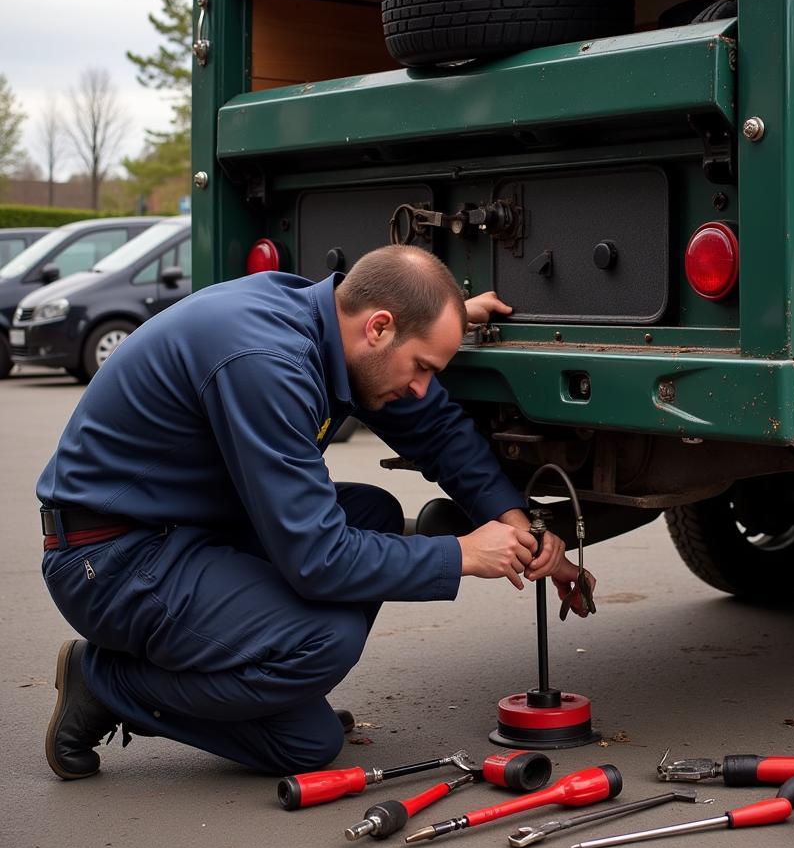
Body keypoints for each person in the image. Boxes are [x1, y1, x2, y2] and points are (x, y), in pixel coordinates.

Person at [39, 245, 593, 780]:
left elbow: (439, 431)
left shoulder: (328, 322)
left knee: (370, 515)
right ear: (378, 327)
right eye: (421, 366)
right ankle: (105, 682)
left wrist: (513, 520)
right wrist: (463, 554)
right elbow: (318, 560)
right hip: (109, 558)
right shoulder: (266, 360)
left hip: (184, 530)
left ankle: (267, 682)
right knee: (321, 659)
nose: (423, 386)